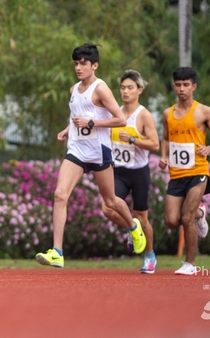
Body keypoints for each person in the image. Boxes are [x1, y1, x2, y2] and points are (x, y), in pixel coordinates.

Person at [36, 43, 146, 268]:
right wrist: (67, 129)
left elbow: (120, 120)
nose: (78, 67)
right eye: (76, 63)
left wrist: (92, 123)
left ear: (94, 65)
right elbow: (76, 115)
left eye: (83, 63)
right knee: (60, 195)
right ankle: (57, 252)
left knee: (111, 201)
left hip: (99, 151)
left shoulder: (101, 88)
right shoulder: (73, 90)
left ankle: (134, 227)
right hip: (77, 150)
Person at [159, 67, 210, 275]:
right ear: (174, 86)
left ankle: (190, 264)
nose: (182, 89)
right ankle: (200, 212)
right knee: (171, 220)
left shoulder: (204, 111)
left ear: (193, 86)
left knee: (187, 218)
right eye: (178, 85)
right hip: (177, 174)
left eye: (186, 85)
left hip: (198, 171)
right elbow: (165, 138)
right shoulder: (167, 113)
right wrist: (163, 156)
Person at [102, 70, 160, 274]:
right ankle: (131, 227)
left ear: (139, 90)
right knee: (107, 208)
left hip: (138, 173)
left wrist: (133, 139)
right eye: (122, 88)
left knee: (142, 217)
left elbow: (155, 144)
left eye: (130, 88)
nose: (125, 92)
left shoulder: (144, 115)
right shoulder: (115, 113)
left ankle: (150, 256)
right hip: (118, 172)